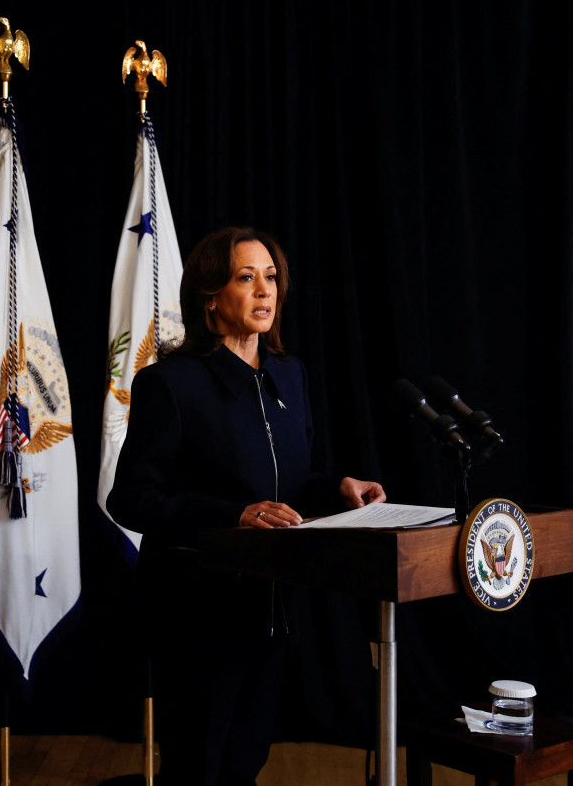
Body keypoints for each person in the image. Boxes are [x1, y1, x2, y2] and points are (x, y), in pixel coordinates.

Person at [107, 226, 385, 785]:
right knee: (199, 767)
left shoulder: (290, 374)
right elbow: (131, 499)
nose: (265, 291)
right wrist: (231, 513)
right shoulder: (171, 383)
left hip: (272, 608)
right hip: (197, 612)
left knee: (244, 762)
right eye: (246, 277)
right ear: (211, 296)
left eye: (272, 277)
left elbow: (288, 486)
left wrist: (337, 489)